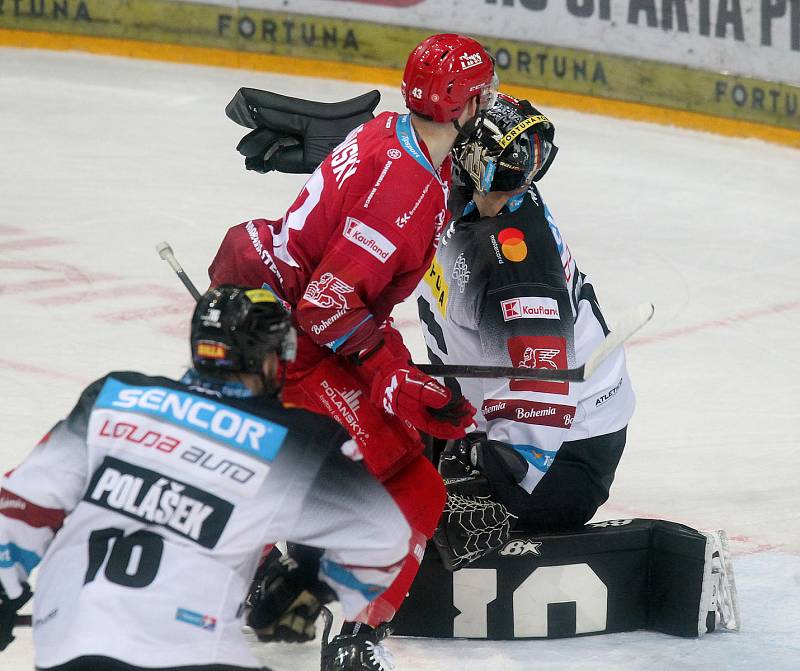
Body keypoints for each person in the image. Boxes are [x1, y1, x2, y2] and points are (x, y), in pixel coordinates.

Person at [208, 33, 497, 670]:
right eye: (483, 95)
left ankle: (257, 576)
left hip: (262, 302)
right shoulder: (407, 194)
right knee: (415, 487)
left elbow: (356, 193)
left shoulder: (396, 133)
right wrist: (393, 377)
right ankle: (355, 642)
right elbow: (327, 306)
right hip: (291, 337)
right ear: (462, 104)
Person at [0, 285, 412, 671]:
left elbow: (22, 505)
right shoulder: (297, 440)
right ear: (268, 359)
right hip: (191, 649)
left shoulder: (112, 397)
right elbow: (386, 535)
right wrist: (310, 584)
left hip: (70, 642)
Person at [413, 93, 636, 568]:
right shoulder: (461, 184)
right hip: (482, 411)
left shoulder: (516, 262)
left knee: (391, 489)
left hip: (566, 453)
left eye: (524, 179)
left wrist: (490, 475)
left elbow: (544, 393)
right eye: (504, 177)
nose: (515, 191)